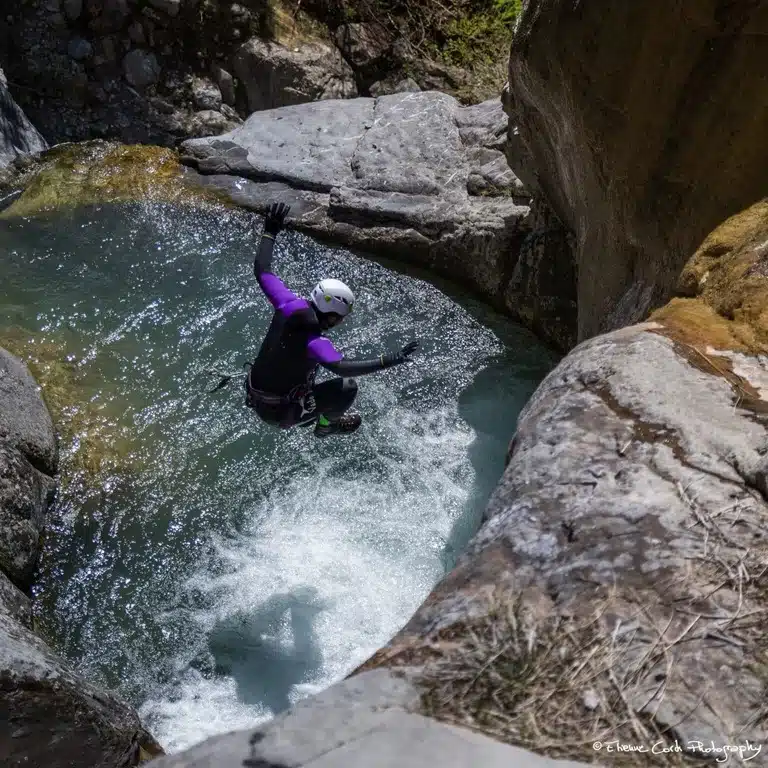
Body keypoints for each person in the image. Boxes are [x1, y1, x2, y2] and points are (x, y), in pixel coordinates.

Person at [245, 201, 419, 438]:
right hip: (279, 413)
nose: (342, 323)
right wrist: (390, 359)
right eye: (340, 318)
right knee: (347, 389)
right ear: (332, 315)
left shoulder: (287, 303)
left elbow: (262, 269)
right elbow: (342, 368)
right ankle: (326, 426)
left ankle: (312, 411)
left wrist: (270, 231)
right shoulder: (314, 342)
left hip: (256, 396)